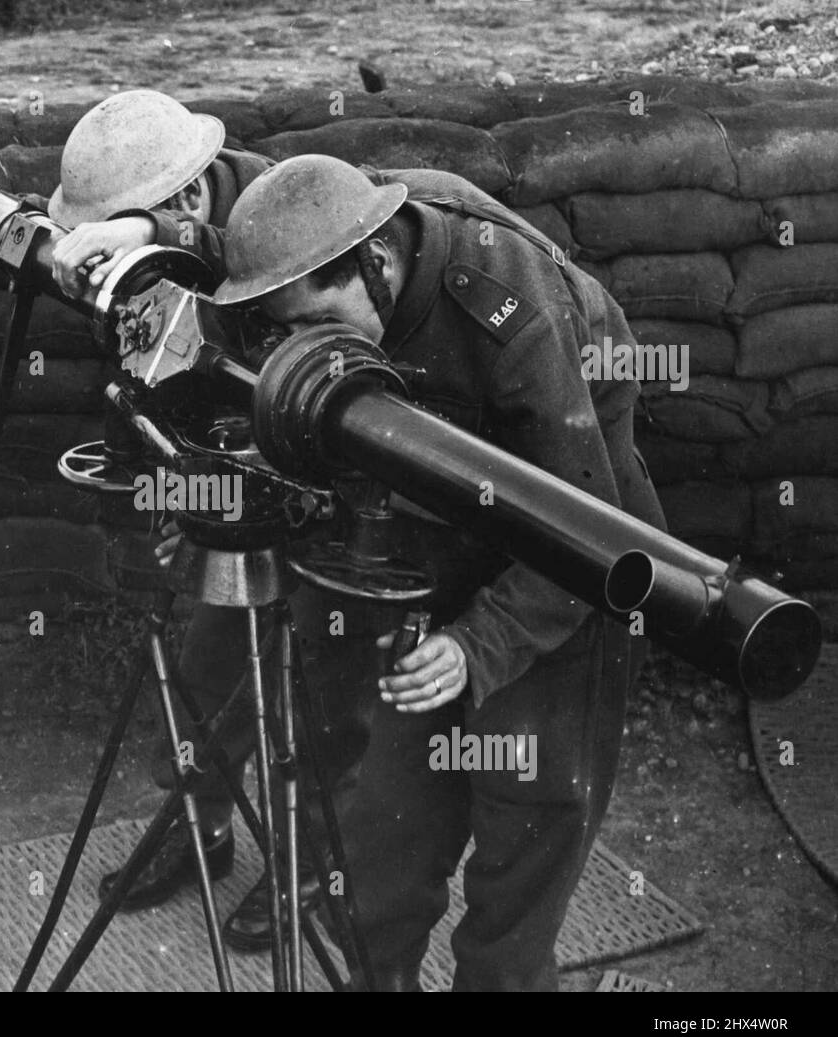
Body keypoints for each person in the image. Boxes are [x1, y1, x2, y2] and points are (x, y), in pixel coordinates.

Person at [211, 154, 666, 990]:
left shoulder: (509, 306)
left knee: (520, 850)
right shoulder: (322, 241)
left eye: (318, 324)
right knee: (380, 848)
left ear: (377, 264)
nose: (306, 350)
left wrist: (476, 646)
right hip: (438, 559)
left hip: (572, 570)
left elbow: (583, 524)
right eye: (287, 332)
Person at [45, 92, 368, 952]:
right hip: (229, 488)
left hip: (337, 481)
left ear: (185, 203)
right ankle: (202, 830)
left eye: (123, 232)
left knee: (326, 686)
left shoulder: (294, 221)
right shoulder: (143, 258)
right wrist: (171, 493)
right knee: (208, 666)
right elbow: (146, 376)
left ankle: (307, 864)